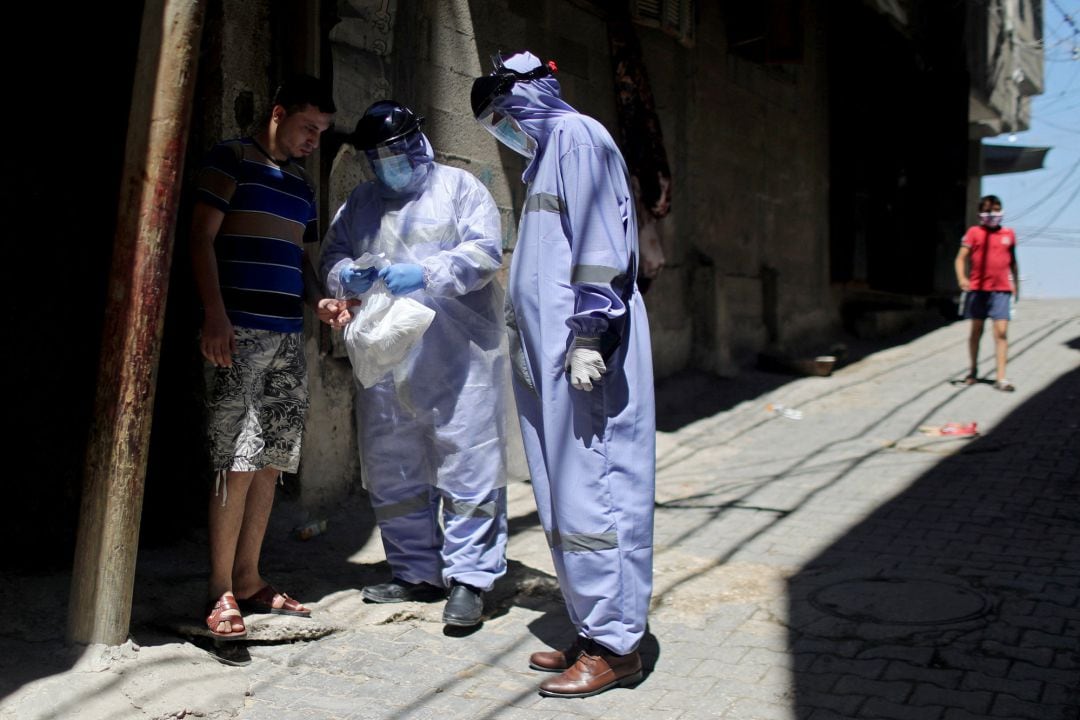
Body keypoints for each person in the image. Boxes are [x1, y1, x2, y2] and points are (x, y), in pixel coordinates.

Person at [471, 51, 656, 698]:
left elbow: (600, 242)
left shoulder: (578, 136)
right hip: (549, 364)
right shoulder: (546, 157)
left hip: (585, 358)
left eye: (502, 116)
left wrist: (586, 336)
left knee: (597, 492)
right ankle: (592, 625)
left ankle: (617, 646)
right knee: (562, 496)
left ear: (527, 95)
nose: (504, 130)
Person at [321, 101, 509, 627]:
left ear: (417, 141)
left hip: (457, 356)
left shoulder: (460, 189)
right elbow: (332, 257)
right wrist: (344, 279)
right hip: (385, 357)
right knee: (393, 465)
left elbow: (484, 255)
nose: (390, 164)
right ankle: (415, 572)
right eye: (378, 157)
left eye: (396, 151)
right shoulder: (360, 202)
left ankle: (470, 579)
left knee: (467, 462)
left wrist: (423, 273)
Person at [191, 75, 345, 639]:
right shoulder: (229, 160)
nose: (313, 140)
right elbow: (199, 238)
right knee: (236, 456)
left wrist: (319, 300)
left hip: (286, 336)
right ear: (278, 114)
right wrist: (214, 315)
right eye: (309, 128)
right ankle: (219, 589)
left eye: (322, 132)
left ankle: (251, 579)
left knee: (273, 457)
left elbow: (296, 259)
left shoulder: (302, 187)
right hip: (237, 331)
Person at [955, 194, 1019, 392]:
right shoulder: (974, 233)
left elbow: (1013, 261)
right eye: (988, 211)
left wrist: (1015, 283)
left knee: (1001, 333)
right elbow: (960, 259)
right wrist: (962, 279)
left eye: (996, 210)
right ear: (980, 213)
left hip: (1001, 291)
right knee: (976, 331)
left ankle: (1001, 378)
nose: (993, 214)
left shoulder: (1009, 234)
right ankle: (973, 370)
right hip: (978, 290)